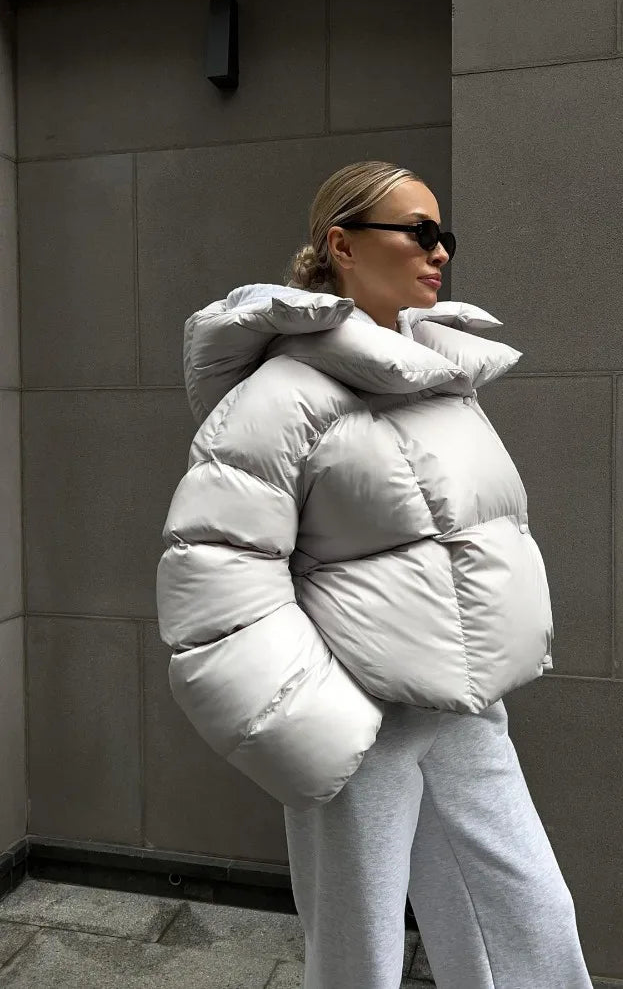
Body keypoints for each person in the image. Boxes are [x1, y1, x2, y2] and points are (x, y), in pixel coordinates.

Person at [156, 159, 594, 988]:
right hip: (362, 720)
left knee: (532, 918)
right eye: (418, 231)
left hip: (464, 703)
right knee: (361, 955)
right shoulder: (279, 395)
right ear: (342, 244)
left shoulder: (445, 379)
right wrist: (323, 716)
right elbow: (214, 575)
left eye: (445, 235)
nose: (440, 252)